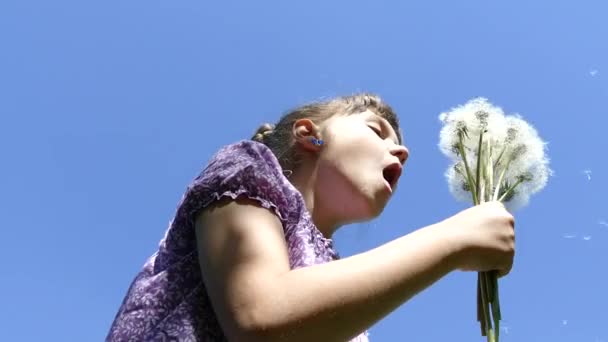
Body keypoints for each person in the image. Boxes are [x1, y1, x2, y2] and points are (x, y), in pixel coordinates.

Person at [106, 93, 515, 341]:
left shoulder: (334, 285)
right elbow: (262, 318)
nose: (402, 153)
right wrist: (453, 240)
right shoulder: (248, 169)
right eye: (377, 131)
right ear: (309, 135)